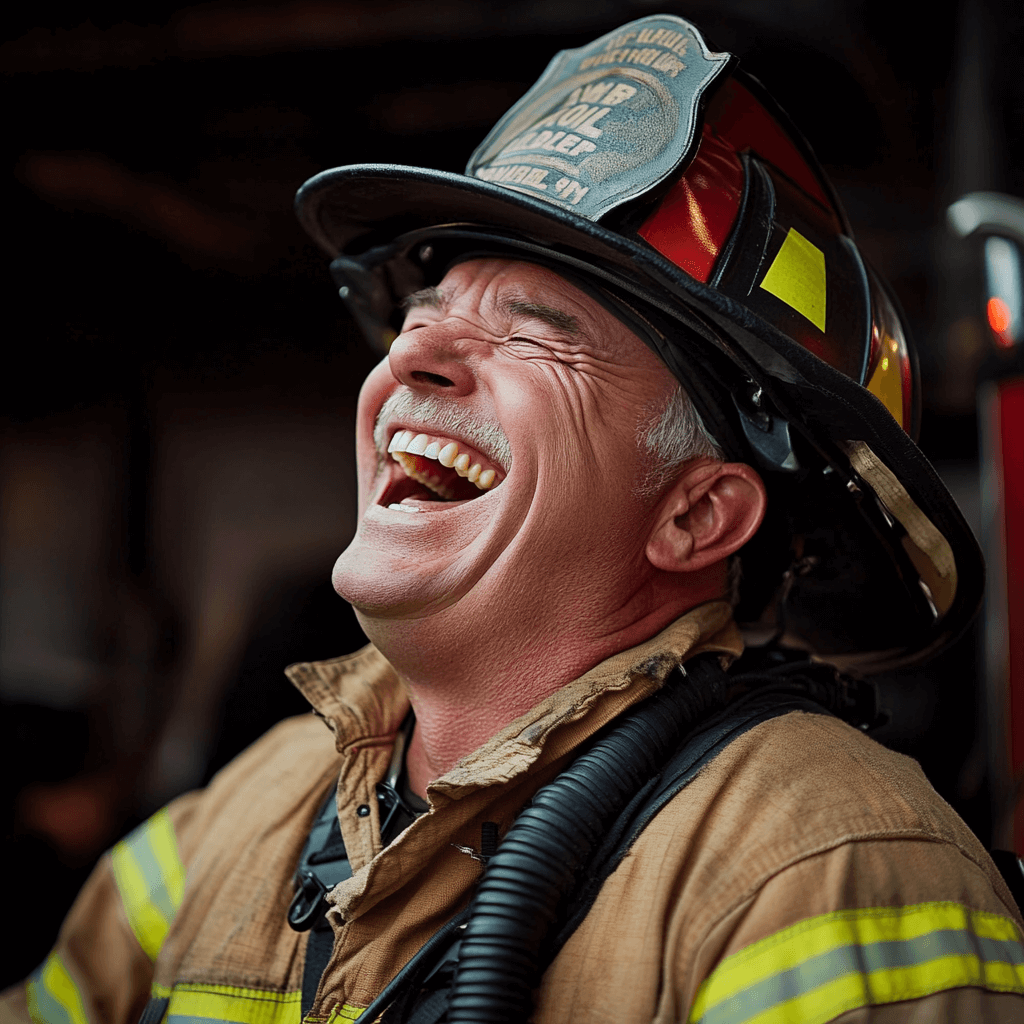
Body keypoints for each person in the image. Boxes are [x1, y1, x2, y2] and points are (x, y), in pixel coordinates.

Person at [6, 13, 1024, 1024]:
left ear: (695, 514)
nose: (414, 355)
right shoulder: (245, 810)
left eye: (535, 332)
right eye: (420, 315)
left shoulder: (831, 868)